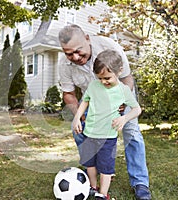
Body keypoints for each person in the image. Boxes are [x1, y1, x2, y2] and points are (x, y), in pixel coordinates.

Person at [58, 24, 151, 200]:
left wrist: (122, 105)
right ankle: (93, 169)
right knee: (78, 130)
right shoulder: (64, 64)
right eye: (69, 53)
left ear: (87, 39)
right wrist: (81, 116)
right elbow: (69, 94)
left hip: (120, 94)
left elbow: (127, 78)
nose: (75, 57)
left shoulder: (109, 47)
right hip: (93, 99)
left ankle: (140, 182)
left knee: (132, 133)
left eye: (79, 51)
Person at [72, 49, 142, 200]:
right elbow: (85, 101)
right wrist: (77, 117)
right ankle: (92, 187)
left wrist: (124, 119)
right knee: (89, 163)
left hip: (108, 137)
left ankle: (102, 195)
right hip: (89, 133)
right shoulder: (93, 85)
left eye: (107, 78)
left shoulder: (123, 90)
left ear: (119, 71)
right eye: (100, 78)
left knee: (105, 168)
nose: (103, 81)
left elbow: (137, 109)